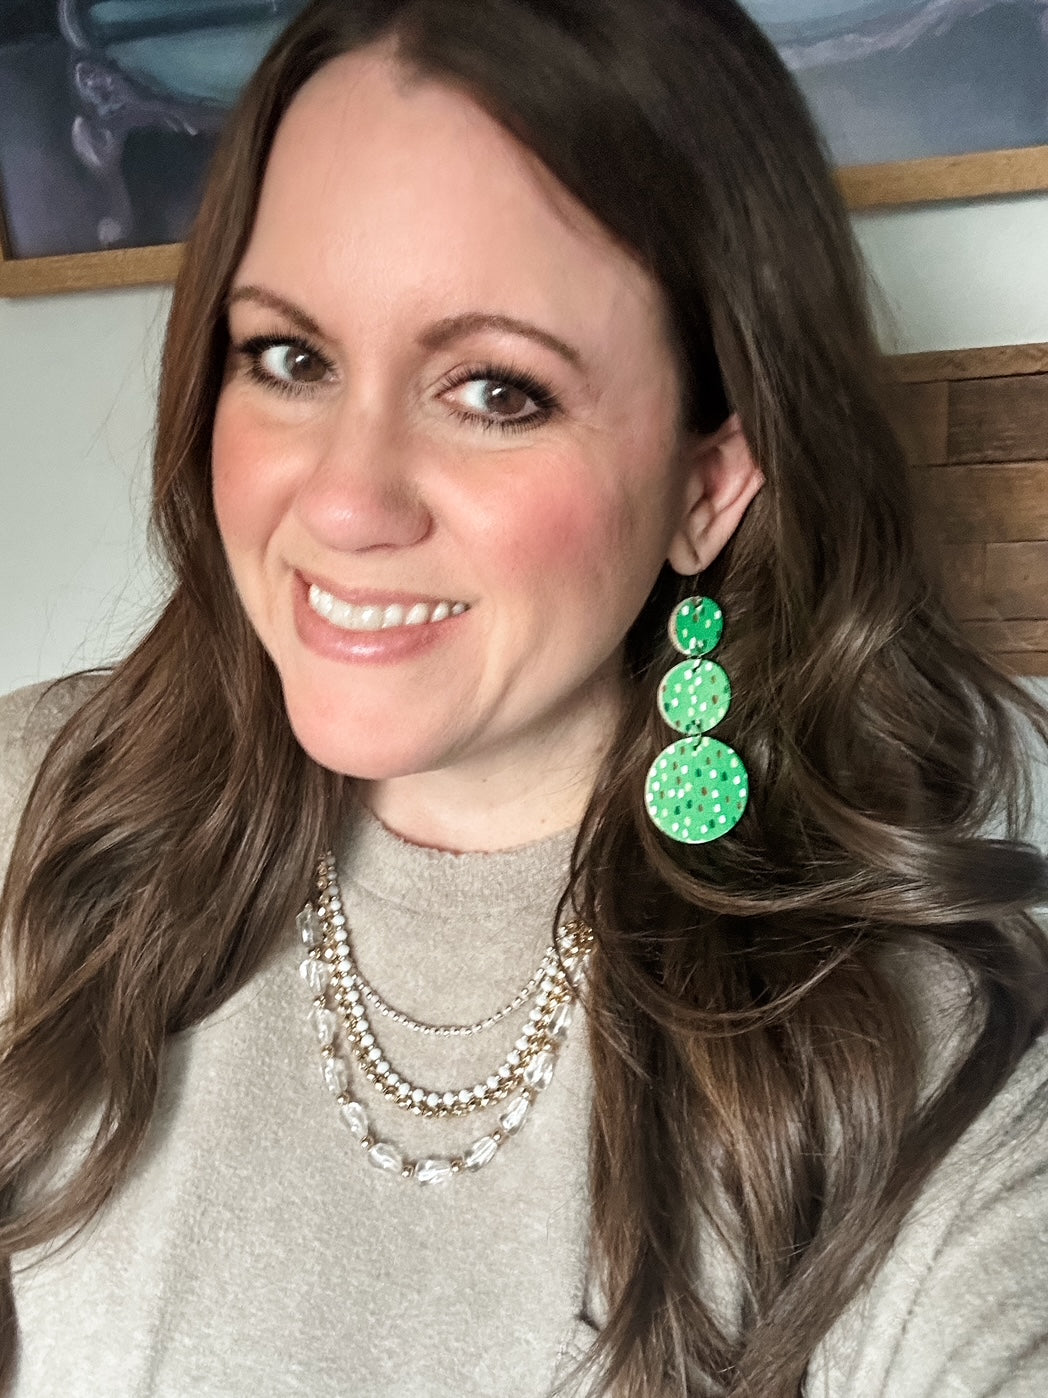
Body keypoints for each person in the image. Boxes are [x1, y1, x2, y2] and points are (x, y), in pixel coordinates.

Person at [1, 1, 1046, 1394]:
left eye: (497, 388)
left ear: (707, 483)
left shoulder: (931, 1071)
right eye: (290, 357)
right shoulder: (35, 815)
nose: (348, 501)